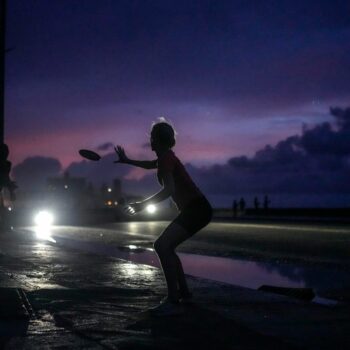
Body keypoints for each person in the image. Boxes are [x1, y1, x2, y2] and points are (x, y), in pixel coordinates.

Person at [114, 118, 212, 316]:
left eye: (151, 137)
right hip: (197, 209)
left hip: (197, 209)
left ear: (156, 140)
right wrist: (128, 161)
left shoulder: (166, 159)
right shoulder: (165, 158)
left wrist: (142, 205)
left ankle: (173, 298)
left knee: (161, 246)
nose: (150, 140)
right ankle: (183, 293)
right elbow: (151, 164)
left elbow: (169, 190)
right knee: (168, 247)